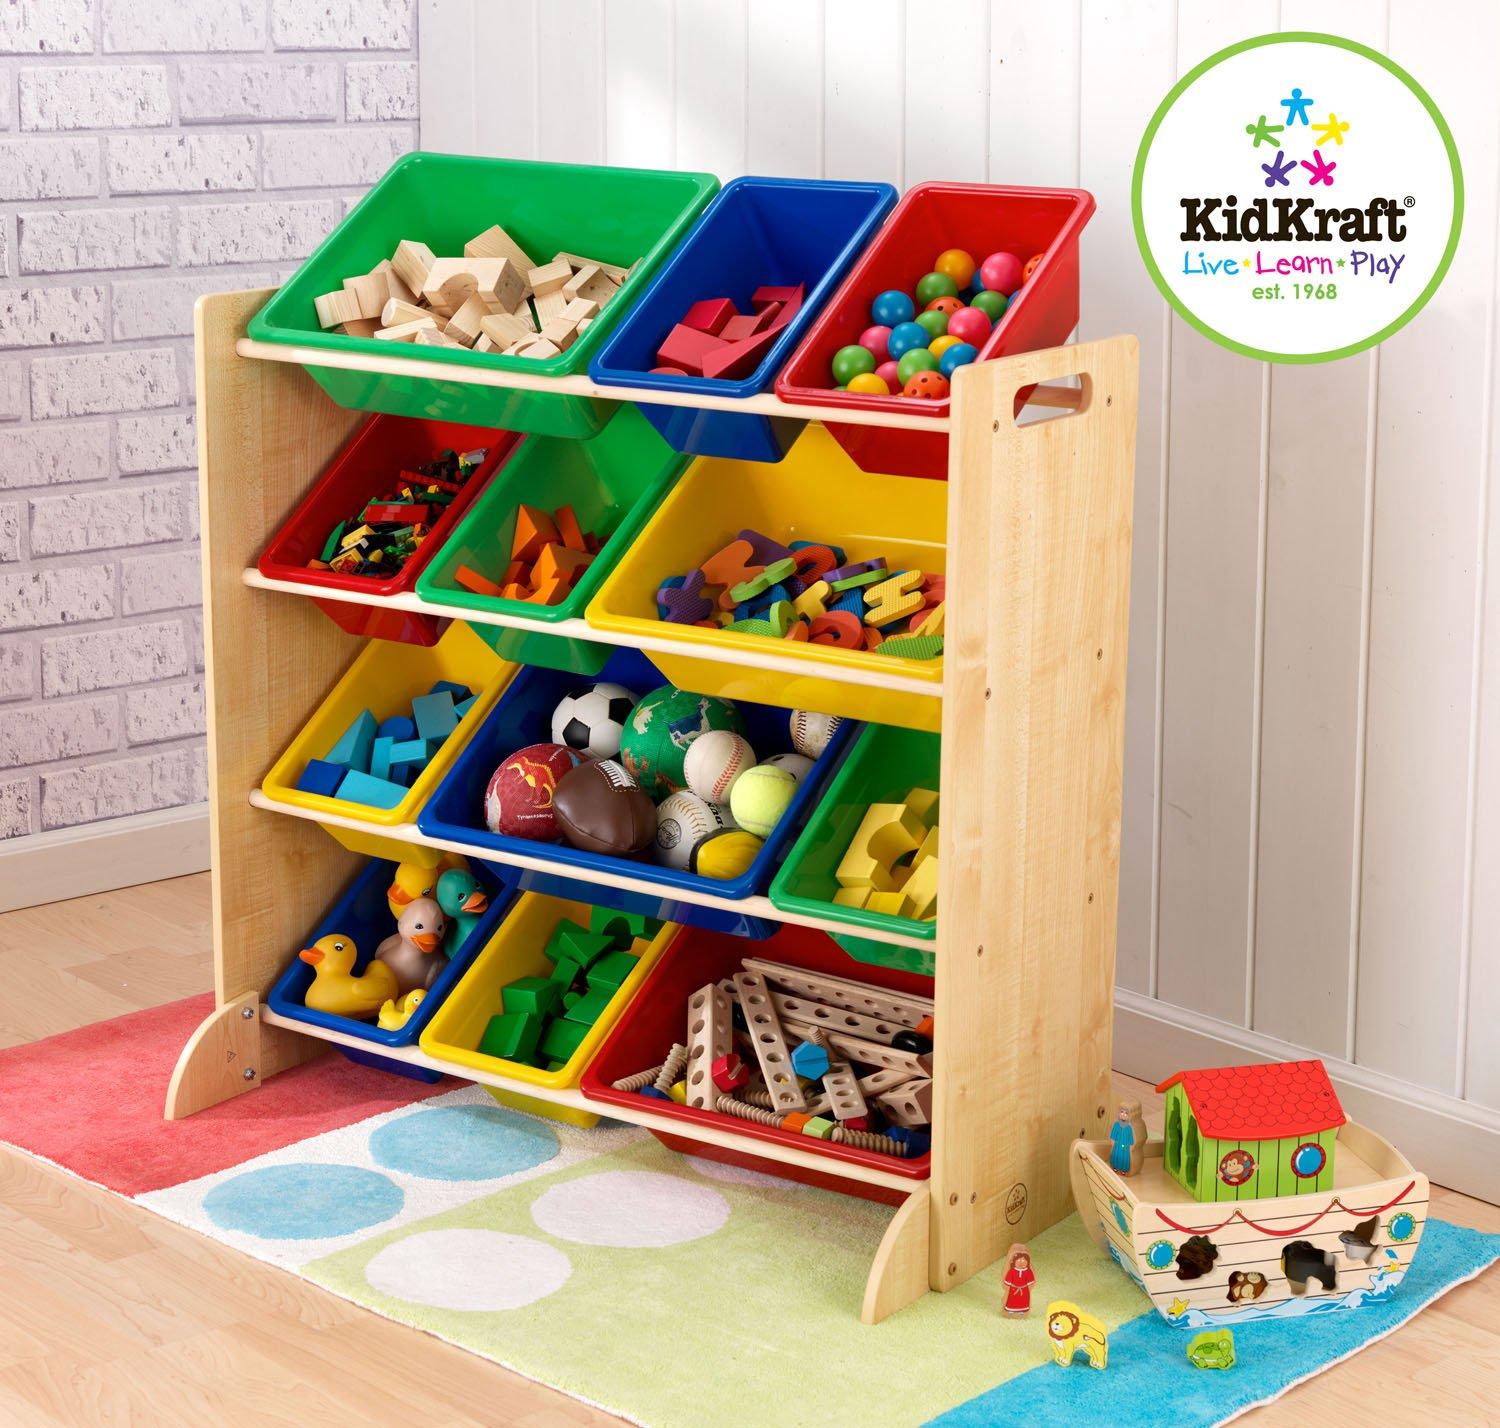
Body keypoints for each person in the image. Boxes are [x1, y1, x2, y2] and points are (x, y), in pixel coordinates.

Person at [1002, 1243, 1035, 1317]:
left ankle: (1022, 1311)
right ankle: (1010, 1310)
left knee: (1023, 1300)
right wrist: (1008, 1286)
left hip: (1024, 1290)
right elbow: (1007, 1280)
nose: (1021, 1263)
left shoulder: (1028, 1271)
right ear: (1014, 1262)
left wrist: (1029, 1286)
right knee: (1012, 1300)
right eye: (1019, 1261)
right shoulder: (1012, 1271)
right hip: (1013, 1289)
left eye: (1023, 1261)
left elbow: (1031, 1281)